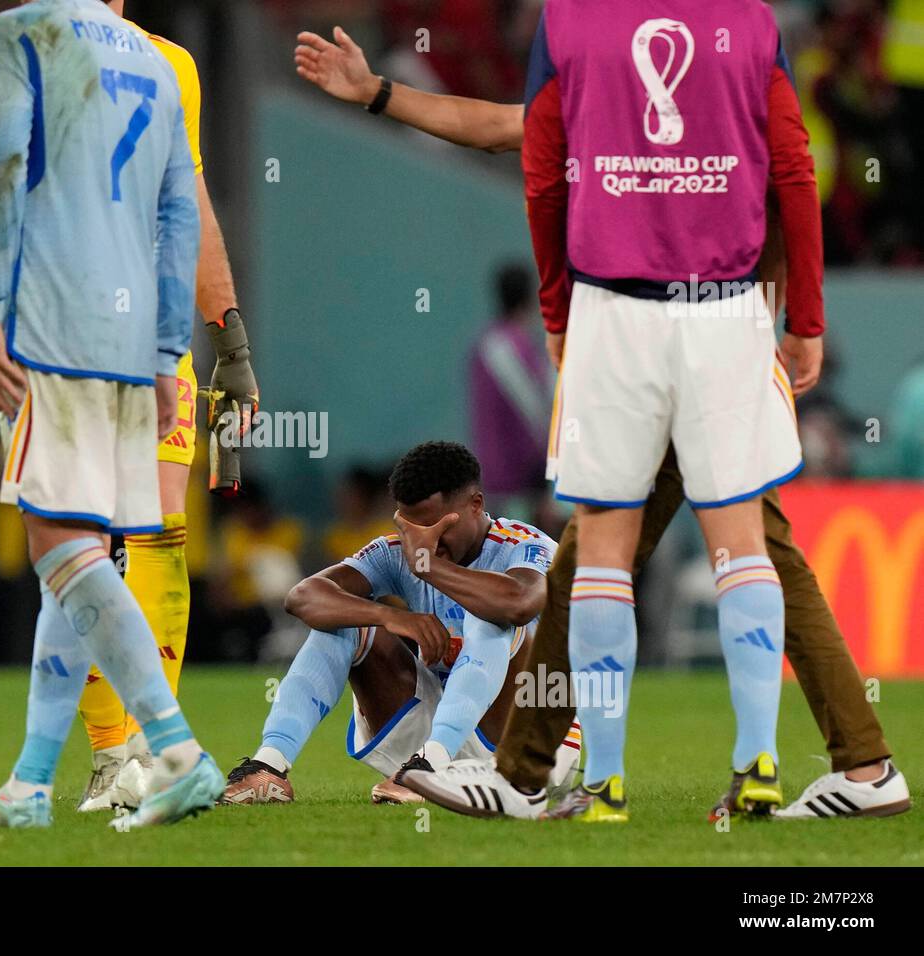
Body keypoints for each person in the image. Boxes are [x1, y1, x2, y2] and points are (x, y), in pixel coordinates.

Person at [295, 16, 908, 820]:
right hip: (727, 326)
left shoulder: (584, 31)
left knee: (605, 555)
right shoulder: (739, 33)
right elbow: (786, 169)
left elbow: (532, 154)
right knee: (740, 556)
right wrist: (378, 91)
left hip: (638, 324)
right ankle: (831, 767)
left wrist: (559, 310)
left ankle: (551, 776)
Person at [0, 0, 258, 818]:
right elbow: (180, 206)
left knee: (65, 548)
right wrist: (183, 344)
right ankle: (44, 779)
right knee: (81, 541)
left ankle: (169, 752)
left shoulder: (18, 37)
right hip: (139, 336)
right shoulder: (159, 61)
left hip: (58, 322)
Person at [221, 442, 579, 806]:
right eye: (412, 528)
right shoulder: (398, 550)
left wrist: (429, 567)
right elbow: (302, 596)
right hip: (436, 730)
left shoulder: (527, 545)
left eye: (436, 527)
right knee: (344, 620)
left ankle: (430, 766)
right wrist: (389, 616)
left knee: (491, 614)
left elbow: (518, 603)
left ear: (475, 504)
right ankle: (270, 766)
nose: (424, 541)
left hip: (531, 740)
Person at [467, 263, 552, 514]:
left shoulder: (487, 344)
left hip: (500, 480)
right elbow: (536, 414)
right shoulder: (505, 347)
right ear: (530, 297)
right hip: (516, 484)